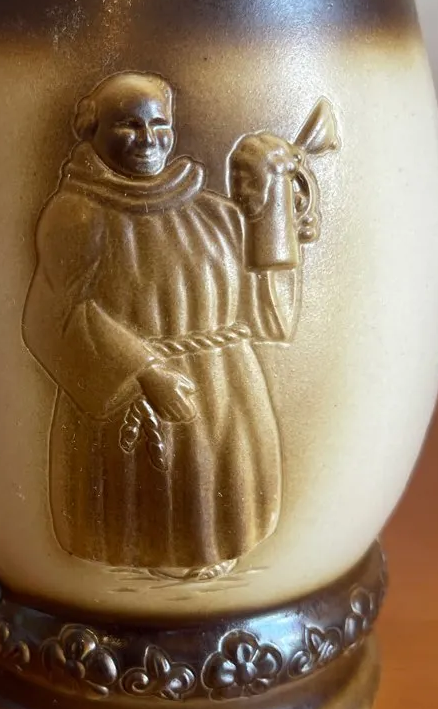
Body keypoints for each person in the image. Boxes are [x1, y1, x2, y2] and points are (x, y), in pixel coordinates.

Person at [22, 70, 315, 577]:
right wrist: (144, 370)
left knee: (216, 501)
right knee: (142, 509)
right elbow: (53, 316)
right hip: (134, 399)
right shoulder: (78, 216)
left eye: (159, 124)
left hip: (226, 393)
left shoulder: (213, 213)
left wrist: (275, 204)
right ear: (93, 129)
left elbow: (268, 314)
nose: (148, 138)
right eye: (128, 125)